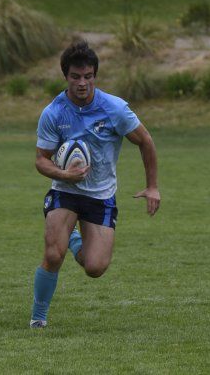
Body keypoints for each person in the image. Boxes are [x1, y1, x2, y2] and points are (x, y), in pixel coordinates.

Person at [30, 41, 160, 328]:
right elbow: (41, 160)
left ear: (95, 76)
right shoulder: (53, 113)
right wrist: (64, 176)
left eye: (88, 76)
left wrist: (152, 186)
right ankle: (38, 318)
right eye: (76, 77)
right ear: (66, 76)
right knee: (53, 254)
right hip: (64, 191)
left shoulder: (114, 108)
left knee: (95, 267)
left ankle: (74, 238)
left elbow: (145, 141)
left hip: (101, 195)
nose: (82, 83)